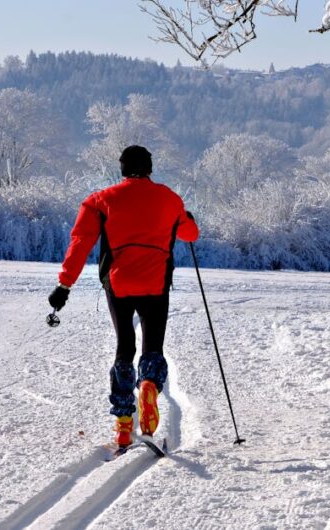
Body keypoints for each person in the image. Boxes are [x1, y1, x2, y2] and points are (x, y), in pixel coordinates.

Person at [48, 145, 199, 448]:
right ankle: (149, 386)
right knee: (152, 346)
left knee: (124, 346)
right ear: (150, 168)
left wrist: (64, 286)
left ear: (122, 168)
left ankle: (122, 424)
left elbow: (80, 242)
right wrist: (188, 219)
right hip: (156, 282)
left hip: (118, 284)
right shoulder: (170, 199)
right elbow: (190, 234)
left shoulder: (100, 201)